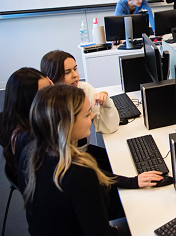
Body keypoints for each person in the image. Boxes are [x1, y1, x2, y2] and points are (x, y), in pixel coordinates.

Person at [18, 85, 156, 235]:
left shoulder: (31, 153)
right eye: (86, 114)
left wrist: (131, 182)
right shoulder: (78, 173)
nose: (91, 116)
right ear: (66, 124)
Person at [0, 68, 52, 183]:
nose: (50, 96)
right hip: (43, 182)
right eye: (44, 93)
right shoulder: (28, 137)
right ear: (28, 100)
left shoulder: (15, 117)